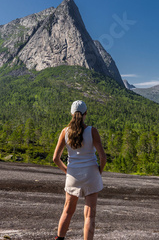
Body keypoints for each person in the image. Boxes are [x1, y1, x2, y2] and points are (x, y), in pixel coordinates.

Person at [53, 100, 107, 240]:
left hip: (73, 175)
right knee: (89, 215)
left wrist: (67, 171)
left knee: (67, 211)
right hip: (91, 174)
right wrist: (98, 172)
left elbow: (55, 158)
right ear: (85, 113)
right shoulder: (92, 131)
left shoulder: (65, 132)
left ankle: (59, 238)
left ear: (71, 113)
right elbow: (103, 157)